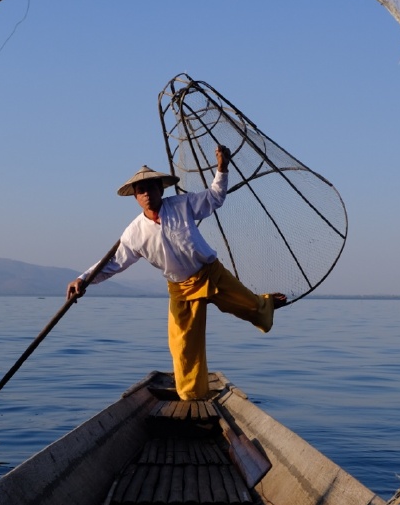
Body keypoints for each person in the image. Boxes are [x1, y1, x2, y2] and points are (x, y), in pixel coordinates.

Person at [67, 145, 285, 400]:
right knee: (183, 345)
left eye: (151, 188)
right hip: (181, 288)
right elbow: (113, 263)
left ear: (161, 190)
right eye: (141, 191)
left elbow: (214, 197)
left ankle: (266, 303)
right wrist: (83, 279)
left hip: (210, 273)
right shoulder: (134, 233)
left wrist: (222, 168)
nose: (146, 194)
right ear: (135, 197)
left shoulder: (182, 205)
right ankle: (192, 396)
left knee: (251, 307)